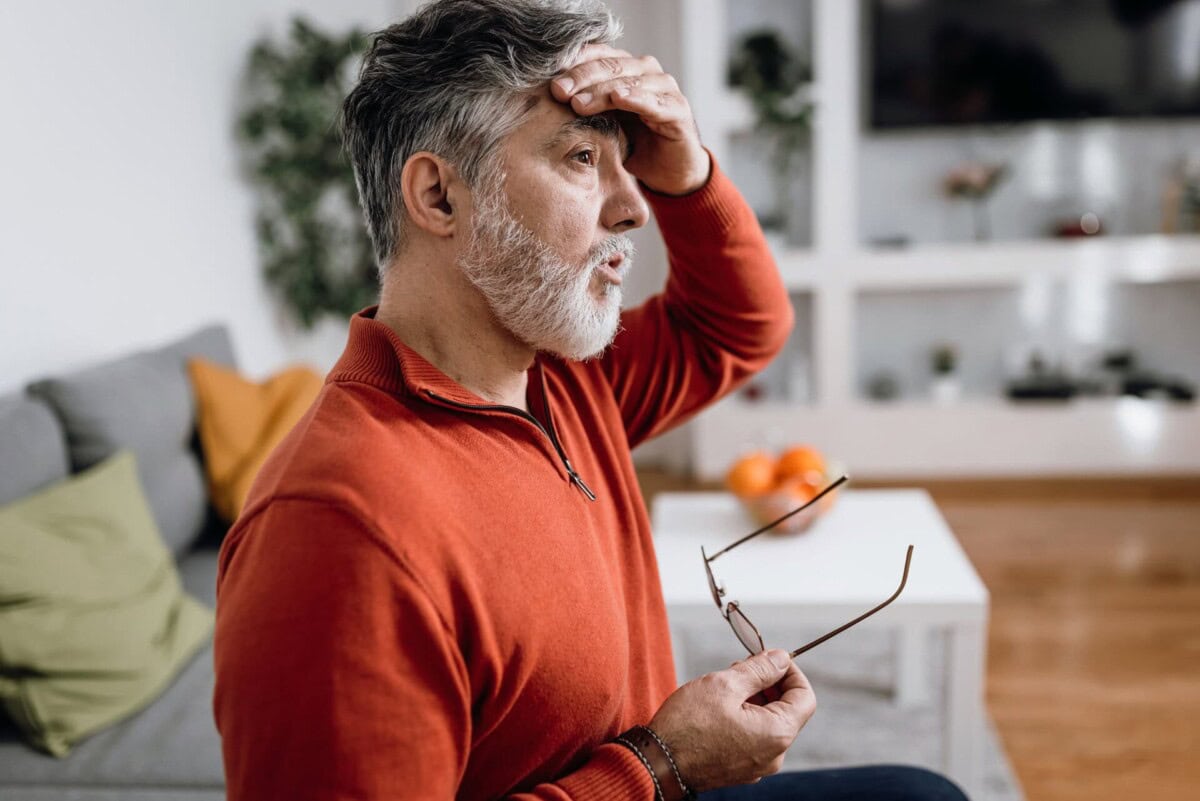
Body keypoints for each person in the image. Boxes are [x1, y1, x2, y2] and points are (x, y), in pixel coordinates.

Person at [212, 1, 969, 799]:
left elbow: (739, 327)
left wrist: (690, 173)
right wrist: (657, 766)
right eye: (580, 158)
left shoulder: (563, 377)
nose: (635, 206)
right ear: (438, 197)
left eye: (629, 163)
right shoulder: (339, 531)